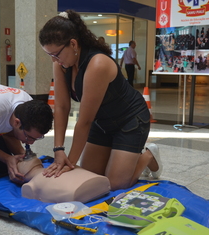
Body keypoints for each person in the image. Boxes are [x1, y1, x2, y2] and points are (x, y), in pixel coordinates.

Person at [38, 10, 162, 191]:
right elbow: (62, 107)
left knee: (114, 184)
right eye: (49, 55)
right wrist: (58, 150)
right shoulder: (60, 64)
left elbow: (85, 121)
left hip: (130, 120)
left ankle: (149, 155)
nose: (53, 60)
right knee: (92, 176)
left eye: (56, 54)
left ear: (73, 43)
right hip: (102, 122)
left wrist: (69, 163)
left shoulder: (97, 64)